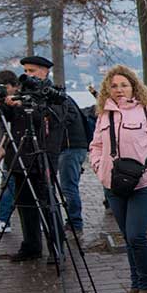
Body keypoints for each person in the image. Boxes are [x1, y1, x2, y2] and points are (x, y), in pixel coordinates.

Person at [88, 65, 147, 293]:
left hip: (143, 183)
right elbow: (95, 145)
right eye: (114, 86)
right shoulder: (104, 114)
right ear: (107, 88)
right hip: (113, 184)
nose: (119, 90)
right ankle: (136, 285)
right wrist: (98, 167)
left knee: (137, 235)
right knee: (128, 236)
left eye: (124, 85)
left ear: (134, 86)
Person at [0, 56, 65, 262]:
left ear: (45, 72)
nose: (28, 75)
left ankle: (56, 248)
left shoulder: (53, 94)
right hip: (19, 158)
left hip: (42, 157)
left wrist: (24, 105)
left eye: (32, 71)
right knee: (25, 205)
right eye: (26, 71)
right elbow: (8, 119)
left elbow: (52, 121)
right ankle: (31, 246)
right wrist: (6, 104)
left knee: (48, 204)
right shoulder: (22, 93)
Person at [57, 86, 91, 234]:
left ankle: (74, 222)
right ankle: (74, 221)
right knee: (71, 186)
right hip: (77, 147)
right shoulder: (67, 100)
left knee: (69, 187)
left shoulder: (61, 103)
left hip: (71, 148)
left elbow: (62, 122)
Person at [0, 70, 19, 234]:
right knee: (8, 183)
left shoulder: (17, 101)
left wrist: (2, 145)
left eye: (4, 87)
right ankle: (3, 219)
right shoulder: (1, 102)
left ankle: (4, 220)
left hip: (18, 147)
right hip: (8, 146)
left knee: (9, 183)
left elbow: (12, 127)